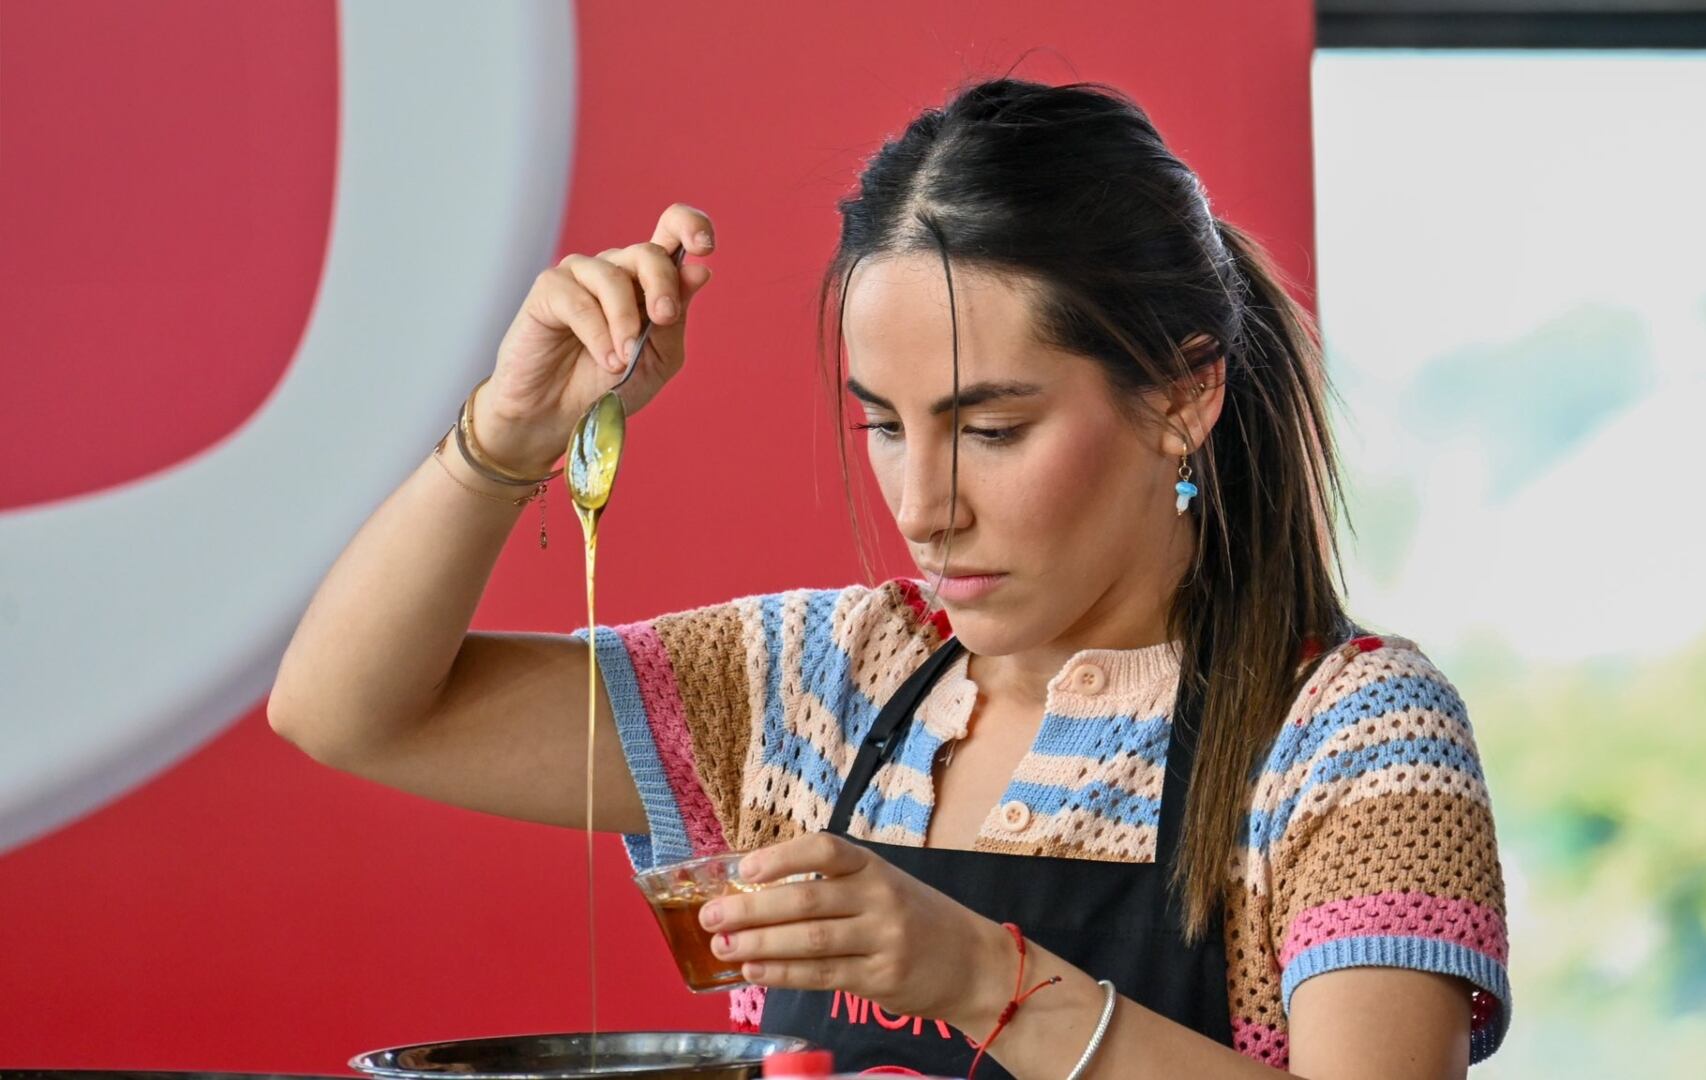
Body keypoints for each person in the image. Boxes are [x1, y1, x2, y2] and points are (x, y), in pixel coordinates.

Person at [269, 78, 1510, 1079]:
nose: (924, 506)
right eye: (882, 424)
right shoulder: (813, 686)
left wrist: (981, 979)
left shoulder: (1351, 739)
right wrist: (512, 429)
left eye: (992, 428)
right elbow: (348, 709)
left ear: (1183, 397)